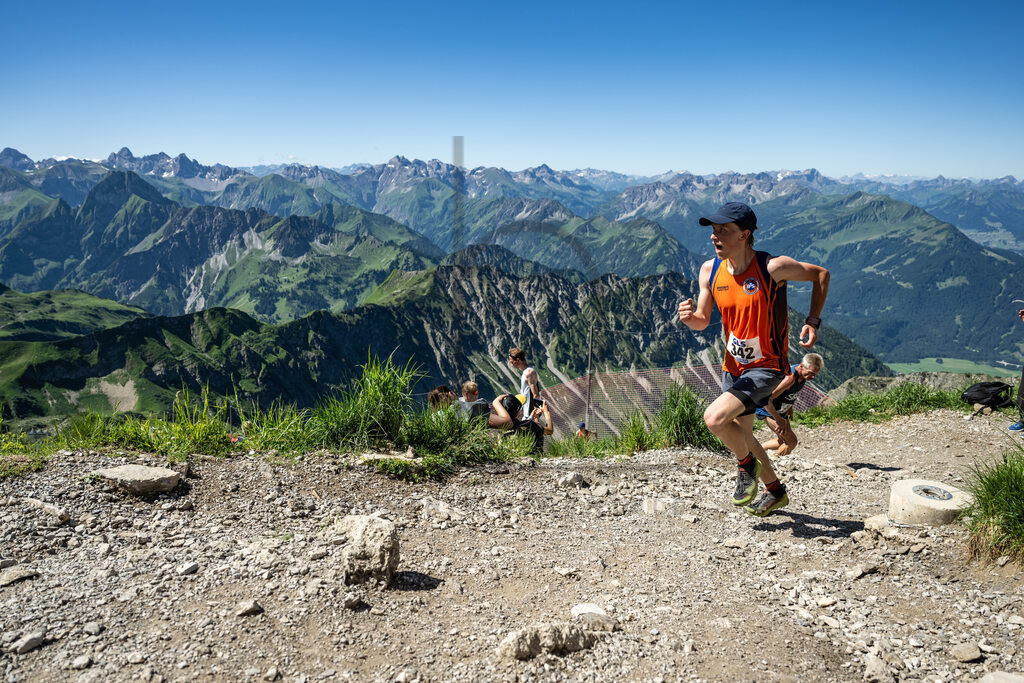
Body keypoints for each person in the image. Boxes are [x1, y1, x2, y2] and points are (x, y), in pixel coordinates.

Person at [678, 202, 829, 517]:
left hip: (767, 367)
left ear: (745, 234)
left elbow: (821, 275)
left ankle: (746, 467)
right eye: (713, 230)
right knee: (742, 434)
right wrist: (690, 318)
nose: (714, 237)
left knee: (715, 419)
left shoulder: (772, 268)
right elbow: (704, 320)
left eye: (723, 231)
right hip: (732, 366)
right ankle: (775, 491)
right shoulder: (710, 270)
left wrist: (812, 320)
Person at [757, 353, 823, 456]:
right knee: (791, 441)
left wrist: (790, 407)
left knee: (783, 441)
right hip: (768, 411)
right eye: (810, 373)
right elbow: (767, 399)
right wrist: (778, 419)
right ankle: (775, 461)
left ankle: (756, 451)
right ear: (801, 366)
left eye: (815, 374)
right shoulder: (789, 379)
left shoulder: (802, 375)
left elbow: (791, 393)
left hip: (781, 410)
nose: (813, 377)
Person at [508, 348, 541, 417]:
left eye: (512, 362)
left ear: (518, 360)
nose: (511, 365)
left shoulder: (529, 373)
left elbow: (536, 394)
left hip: (529, 412)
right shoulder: (526, 372)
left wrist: (534, 413)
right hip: (525, 409)